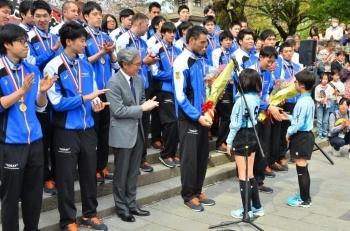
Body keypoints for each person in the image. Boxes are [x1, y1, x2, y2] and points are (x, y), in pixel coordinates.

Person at [45, 22, 109, 231]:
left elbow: (94, 94)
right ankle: (68, 221)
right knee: (65, 178)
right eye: (82, 40)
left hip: (88, 128)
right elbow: (56, 103)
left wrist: (96, 104)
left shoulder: (86, 65)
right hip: (65, 131)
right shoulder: (53, 66)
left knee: (89, 174)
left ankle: (90, 214)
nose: (85, 43)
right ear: (69, 41)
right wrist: (84, 98)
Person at [0, 23, 57, 231]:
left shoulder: (32, 69)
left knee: (33, 195)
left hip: (35, 141)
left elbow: (39, 107)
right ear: (7, 44)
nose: (26, 46)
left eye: (26, 41)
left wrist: (42, 91)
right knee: (11, 197)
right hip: (11, 143)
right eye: (21, 42)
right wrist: (20, 91)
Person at [106, 47, 158, 222]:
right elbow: (118, 110)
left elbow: (141, 99)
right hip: (122, 133)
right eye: (136, 64)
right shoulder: (113, 82)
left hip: (137, 131)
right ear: (124, 64)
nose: (139, 67)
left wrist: (147, 103)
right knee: (121, 173)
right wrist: (142, 108)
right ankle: (122, 208)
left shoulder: (139, 80)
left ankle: (132, 203)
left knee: (134, 171)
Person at [173, 25, 215, 211]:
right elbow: (181, 96)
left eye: (207, 42)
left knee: (201, 156)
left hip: (202, 117)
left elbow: (202, 91)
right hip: (189, 118)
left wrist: (208, 109)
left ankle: (198, 190)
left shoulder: (198, 60)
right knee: (189, 158)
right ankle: (188, 195)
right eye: (202, 42)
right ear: (191, 40)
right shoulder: (182, 62)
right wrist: (197, 116)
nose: (205, 46)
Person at [116, 13, 160, 172]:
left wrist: (149, 62)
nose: (148, 28)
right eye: (147, 25)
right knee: (132, 121)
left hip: (143, 84)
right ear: (140, 24)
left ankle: (142, 157)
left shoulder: (143, 42)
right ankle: (132, 157)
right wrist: (143, 61)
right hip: (128, 86)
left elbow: (144, 64)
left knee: (143, 123)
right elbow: (120, 63)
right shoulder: (123, 39)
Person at [27, 0, 62, 196]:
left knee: (58, 137)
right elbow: (31, 63)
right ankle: (46, 178)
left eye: (45, 16)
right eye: (37, 16)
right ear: (32, 17)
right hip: (39, 95)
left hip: (58, 94)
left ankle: (57, 174)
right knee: (44, 138)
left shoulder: (56, 36)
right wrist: (52, 51)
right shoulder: (28, 38)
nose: (41, 19)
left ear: (51, 17)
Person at [82, 1, 119, 183]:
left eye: (100, 14)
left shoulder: (106, 36)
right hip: (92, 91)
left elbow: (115, 63)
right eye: (94, 14)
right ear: (86, 16)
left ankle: (102, 166)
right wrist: (101, 52)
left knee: (105, 130)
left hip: (107, 89)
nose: (98, 17)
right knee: (93, 130)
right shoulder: (82, 36)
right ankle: (92, 169)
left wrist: (110, 52)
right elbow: (83, 62)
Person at [226, 69, 265, 219]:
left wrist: (229, 142)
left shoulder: (241, 100)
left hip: (242, 136)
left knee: (243, 175)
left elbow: (235, 123)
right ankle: (257, 207)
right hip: (253, 134)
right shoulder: (255, 97)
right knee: (250, 174)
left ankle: (246, 210)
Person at [246, 46, 280, 194]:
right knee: (251, 147)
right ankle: (247, 178)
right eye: (268, 60)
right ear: (260, 57)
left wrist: (270, 103)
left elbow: (265, 93)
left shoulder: (267, 73)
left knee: (263, 146)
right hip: (250, 114)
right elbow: (249, 96)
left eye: (272, 61)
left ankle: (259, 180)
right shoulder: (249, 72)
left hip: (263, 113)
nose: (270, 64)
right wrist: (268, 106)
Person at [150, 22, 182, 168]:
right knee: (171, 122)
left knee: (176, 122)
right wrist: (174, 75)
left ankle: (173, 153)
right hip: (163, 90)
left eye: (173, 32)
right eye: (168, 32)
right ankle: (165, 154)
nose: (171, 34)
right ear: (162, 33)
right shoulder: (155, 48)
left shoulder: (178, 50)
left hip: (177, 90)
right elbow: (155, 72)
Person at [283, 70, 315, 208]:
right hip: (305, 135)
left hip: (302, 136)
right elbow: (299, 119)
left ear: (302, 85)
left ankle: (304, 199)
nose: (294, 84)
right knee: (303, 168)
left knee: (301, 170)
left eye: (296, 82)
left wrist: (289, 132)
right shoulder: (307, 99)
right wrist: (288, 116)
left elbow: (298, 123)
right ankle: (304, 196)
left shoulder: (303, 102)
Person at [211, 31, 234, 153]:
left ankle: (227, 141)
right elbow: (215, 69)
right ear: (220, 41)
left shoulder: (232, 54)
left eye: (230, 40)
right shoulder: (216, 53)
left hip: (232, 88)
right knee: (226, 115)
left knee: (230, 115)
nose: (228, 42)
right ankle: (220, 142)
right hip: (221, 88)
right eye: (226, 40)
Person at [315, 73, 333, 139]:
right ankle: (319, 132)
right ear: (320, 79)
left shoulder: (329, 87)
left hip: (327, 105)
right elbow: (316, 97)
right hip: (320, 105)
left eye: (326, 79)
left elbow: (331, 95)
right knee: (320, 120)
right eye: (324, 79)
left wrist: (328, 97)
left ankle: (324, 132)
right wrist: (320, 100)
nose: (325, 80)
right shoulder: (317, 87)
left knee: (325, 120)